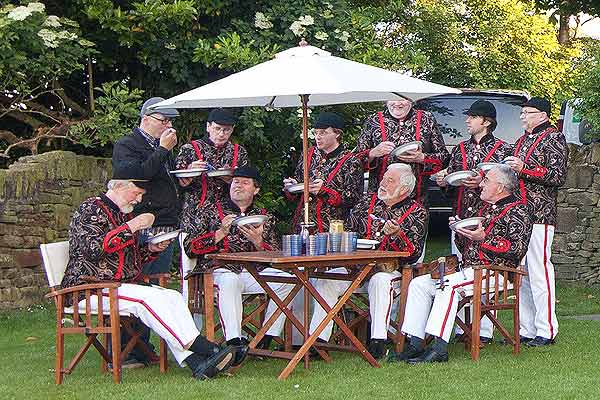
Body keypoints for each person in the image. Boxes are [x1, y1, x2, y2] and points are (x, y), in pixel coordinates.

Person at [60, 174, 235, 380]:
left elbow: (128, 260)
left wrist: (151, 249)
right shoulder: (90, 209)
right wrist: (131, 227)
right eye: (137, 193)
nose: (139, 200)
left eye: (141, 195)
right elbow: (93, 250)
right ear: (118, 186)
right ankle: (207, 350)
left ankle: (197, 363)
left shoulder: (122, 214)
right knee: (148, 300)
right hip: (87, 289)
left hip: (117, 286)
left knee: (172, 297)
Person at [397, 165, 532, 363]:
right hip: (469, 271)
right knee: (419, 284)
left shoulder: (519, 210)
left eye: (486, 181)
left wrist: (483, 238)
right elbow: (466, 247)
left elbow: (517, 249)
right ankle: (415, 343)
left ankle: (439, 347)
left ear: (500, 187)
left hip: (498, 273)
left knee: (447, 287)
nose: (482, 184)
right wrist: (460, 231)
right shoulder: (483, 209)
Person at [308, 163, 428, 359]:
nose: (383, 183)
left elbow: (413, 253)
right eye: (384, 178)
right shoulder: (366, 203)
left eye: (390, 180)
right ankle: (318, 341)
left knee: (380, 280)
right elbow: (347, 232)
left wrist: (398, 234)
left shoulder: (417, 212)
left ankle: (378, 341)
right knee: (326, 279)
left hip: (391, 271)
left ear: (404, 189)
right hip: (355, 270)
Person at [181, 166, 293, 363]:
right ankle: (234, 342)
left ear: (256, 190)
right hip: (216, 272)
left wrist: (259, 242)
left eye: (244, 182)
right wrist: (220, 233)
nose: (238, 186)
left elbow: (277, 254)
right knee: (230, 280)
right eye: (235, 181)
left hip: (253, 272)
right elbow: (190, 246)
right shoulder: (209, 210)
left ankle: (264, 337)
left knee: (289, 279)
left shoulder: (263, 215)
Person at [111, 97, 181, 365]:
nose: (168, 125)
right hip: (140, 224)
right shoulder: (127, 145)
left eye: (170, 121)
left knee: (154, 284)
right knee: (133, 284)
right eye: (164, 120)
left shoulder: (161, 146)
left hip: (165, 223)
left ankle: (143, 346)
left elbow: (162, 179)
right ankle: (125, 351)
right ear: (146, 118)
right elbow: (137, 176)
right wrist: (163, 150)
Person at [436, 100, 512, 343]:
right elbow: (450, 185)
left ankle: (484, 331)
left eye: (472, 117)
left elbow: (509, 187)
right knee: (459, 268)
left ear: (486, 121)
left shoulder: (503, 149)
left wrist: (480, 183)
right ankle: (461, 328)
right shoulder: (459, 149)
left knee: (483, 268)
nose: (467, 121)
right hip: (461, 215)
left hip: (488, 216)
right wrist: (444, 182)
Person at [504, 97, 568, 346]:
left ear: (542, 115)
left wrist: (524, 167)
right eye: (522, 113)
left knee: (540, 271)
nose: (522, 117)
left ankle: (547, 329)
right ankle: (527, 328)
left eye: (527, 113)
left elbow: (557, 175)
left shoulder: (554, 137)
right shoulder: (521, 140)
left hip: (540, 214)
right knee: (521, 274)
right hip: (518, 214)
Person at [356, 99, 450, 204]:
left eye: (402, 99)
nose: (397, 103)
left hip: (416, 201)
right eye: (392, 98)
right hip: (380, 200)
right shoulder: (373, 120)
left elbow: (444, 158)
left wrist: (422, 158)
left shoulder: (426, 118)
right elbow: (354, 163)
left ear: (411, 100)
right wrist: (373, 153)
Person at [284, 112, 364, 232]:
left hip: (331, 228)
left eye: (323, 133)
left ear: (337, 134)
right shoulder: (308, 154)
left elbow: (354, 199)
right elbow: (300, 183)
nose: (318, 137)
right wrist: (293, 185)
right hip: (302, 225)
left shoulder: (351, 161)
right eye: (316, 133)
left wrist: (325, 192)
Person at [175, 108, 249, 213]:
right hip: (195, 211)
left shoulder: (239, 152)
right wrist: (189, 170)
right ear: (208, 127)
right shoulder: (189, 149)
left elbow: (248, 184)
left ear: (232, 129)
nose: (221, 134)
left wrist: (232, 179)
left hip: (228, 211)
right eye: (217, 128)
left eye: (226, 130)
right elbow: (175, 184)